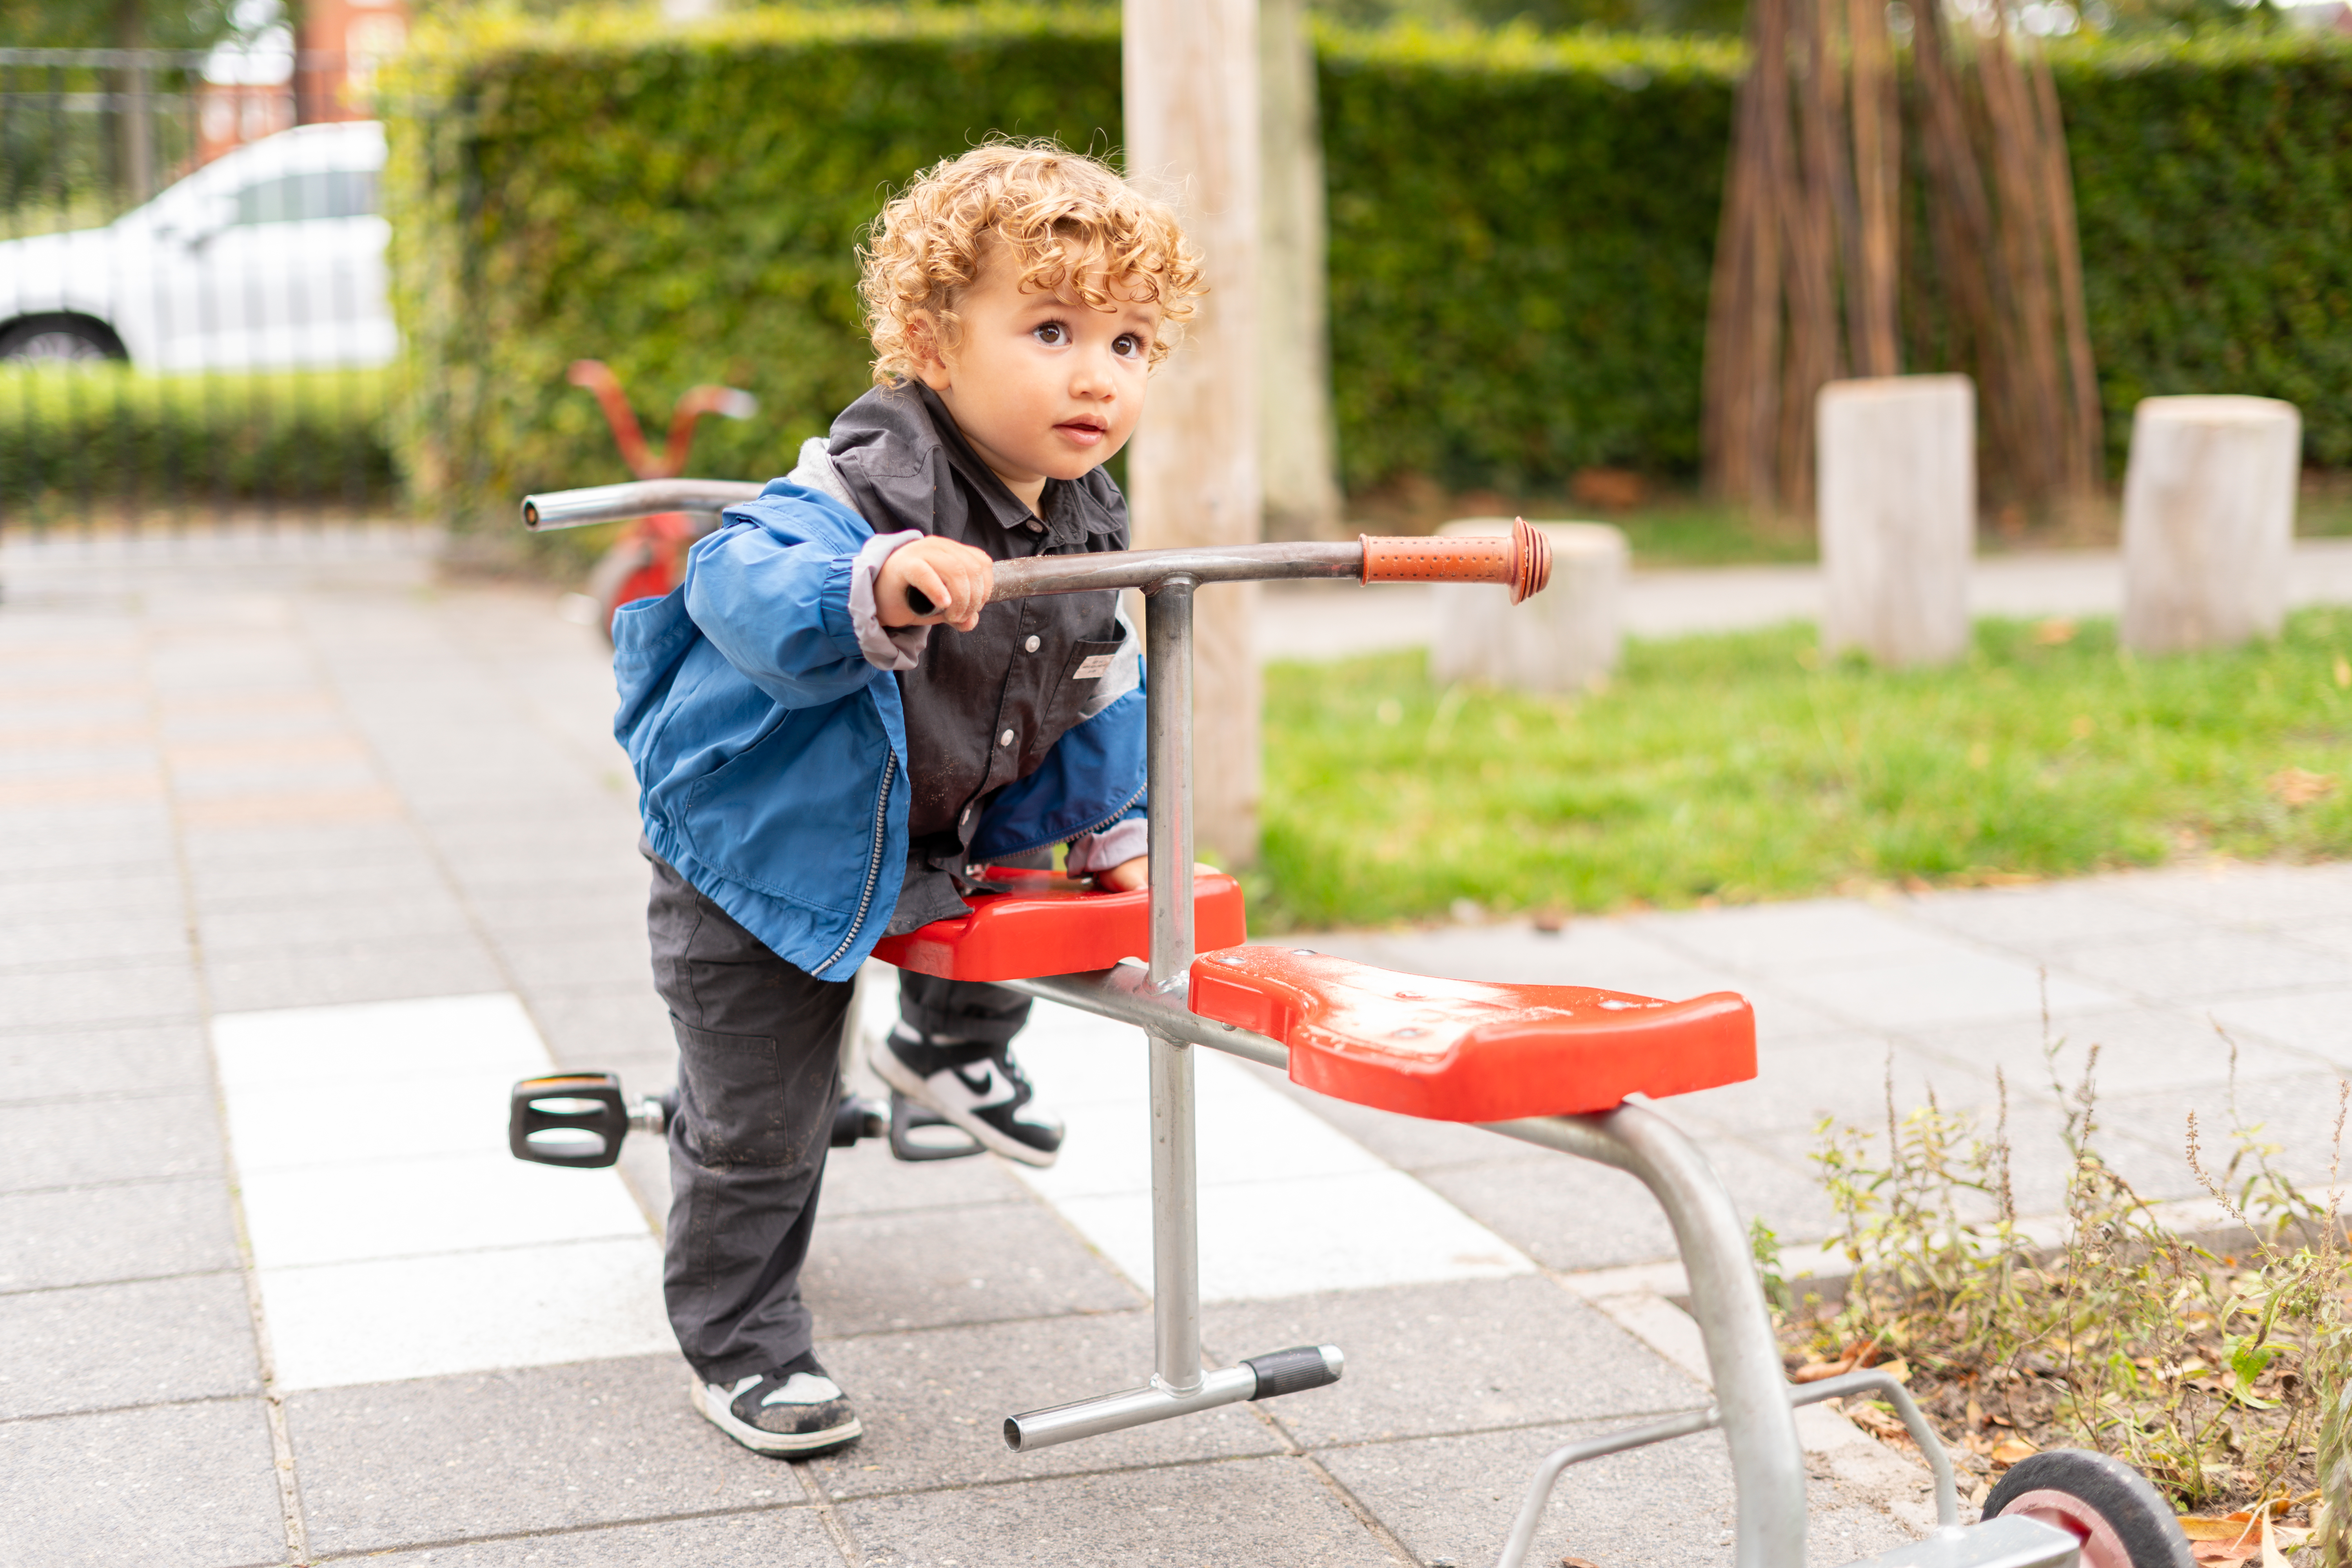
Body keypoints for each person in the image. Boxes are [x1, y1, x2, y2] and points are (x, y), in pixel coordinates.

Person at [610, 141, 1204, 1459]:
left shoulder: (1085, 510)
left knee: (1027, 886)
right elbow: (741, 580)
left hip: (931, 817)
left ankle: (944, 1043)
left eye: (1128, 341)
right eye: (1050, 331)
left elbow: (1095, 677)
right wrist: (872, 580)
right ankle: (744, 1346)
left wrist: (1119, 832)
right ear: (933, 345)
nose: (1098, 375)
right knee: (761, 1129)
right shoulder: (862, 481)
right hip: (762, 849)